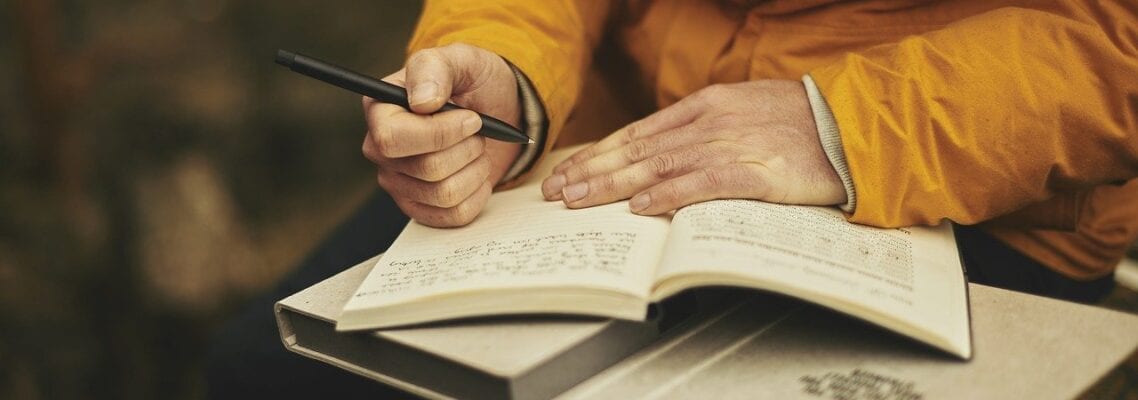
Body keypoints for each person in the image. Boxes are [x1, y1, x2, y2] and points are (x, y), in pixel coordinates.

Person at [208, 0, 1138, 397]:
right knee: (269, 370)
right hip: (599, 146)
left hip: (978, 191)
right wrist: (506, 62)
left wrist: (851, 124)